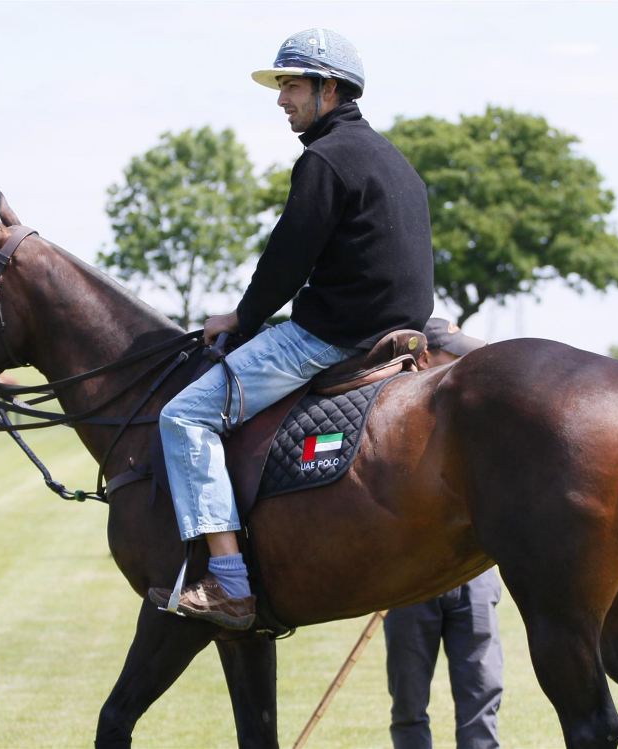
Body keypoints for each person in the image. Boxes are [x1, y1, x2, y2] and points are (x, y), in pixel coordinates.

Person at [148, 29, 435, 629]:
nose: (282, 99)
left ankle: (230, 585)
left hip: (330, 338)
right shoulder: (392, 157)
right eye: (281, 87)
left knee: (184, 417)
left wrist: (242, 318)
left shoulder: (325, 159)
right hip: (403, 333)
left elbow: (286, 260)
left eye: (292, 86)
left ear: (330, 89)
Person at [384, 318, 503, 749]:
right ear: (424, 358)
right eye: (455, 356)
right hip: (411, 580)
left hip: (474, 575)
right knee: (408, 704)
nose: (465, 365)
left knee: (482, 694)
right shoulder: (388, 421)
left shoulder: (483, 420)